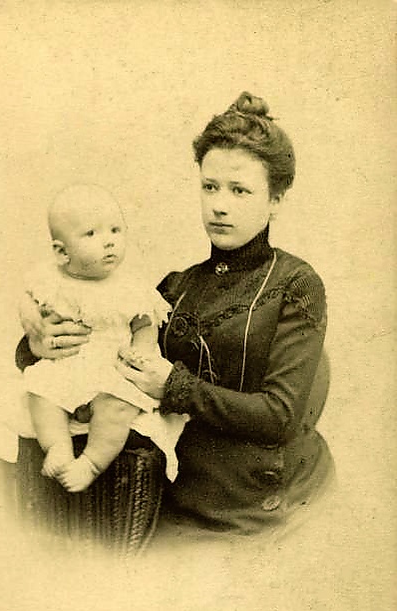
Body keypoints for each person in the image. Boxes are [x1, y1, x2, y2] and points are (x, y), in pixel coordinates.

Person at [18, 92, 334, 535]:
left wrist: (173, 387)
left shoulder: (295, 284)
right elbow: (101, 351)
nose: (219, 205)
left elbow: (280, 417)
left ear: (276, 200)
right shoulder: (175, 287)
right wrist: (36, 344)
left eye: (240, 190)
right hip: (168, 496)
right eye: (210, 186)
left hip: (259, 507)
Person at [21, 183, 179, 492]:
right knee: (40, 392)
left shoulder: (131, 286)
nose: (109, 241)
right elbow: (29, 298)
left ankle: (91, 463)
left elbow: (145, 323)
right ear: (62, 252)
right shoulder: (51, 278)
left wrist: (141, 351)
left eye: (115, 230)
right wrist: (29, 318)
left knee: (116, 407)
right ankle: (57, 446)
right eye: (91, 234)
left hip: (113, 370)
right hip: (68, 365)